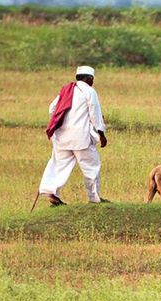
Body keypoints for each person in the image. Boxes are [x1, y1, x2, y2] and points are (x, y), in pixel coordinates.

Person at [37, 65, 109, 206]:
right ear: (88, 78)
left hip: (61, 138)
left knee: (58, 165)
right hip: (81, 138)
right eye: (92, 79)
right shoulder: (89, 91)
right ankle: (94, 198)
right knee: (91, 166)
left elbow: (52, 109)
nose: (92, 82)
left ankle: (52, 193)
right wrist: (102, 134)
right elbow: (95, 113)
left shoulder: (66, 90)